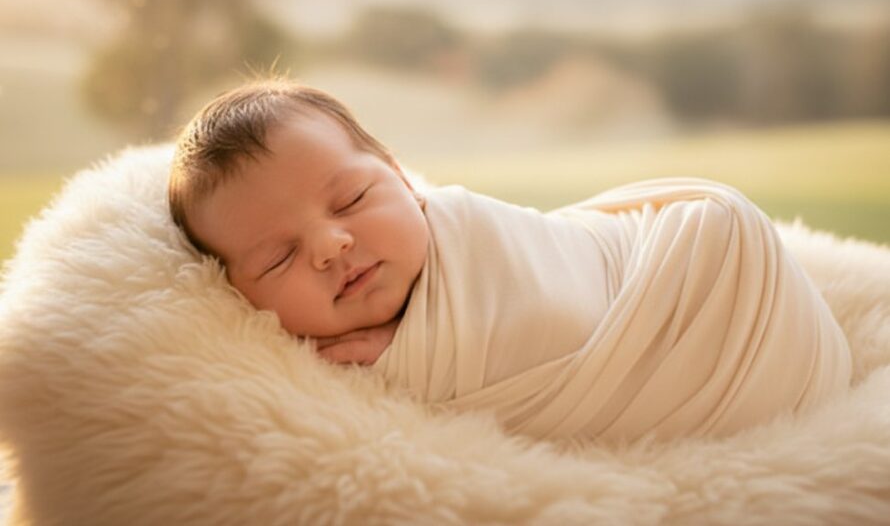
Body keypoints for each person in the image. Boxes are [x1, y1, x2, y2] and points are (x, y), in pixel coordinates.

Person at [169, 79, 852, 443]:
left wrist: (408, 359)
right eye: (280, 257)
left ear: (405, 181)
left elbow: (556, 305)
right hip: (716, 365)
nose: (329, 246)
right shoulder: (306, 381)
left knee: (721, 220)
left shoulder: (471, 232)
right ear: (237, 296)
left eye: (350, 198)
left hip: (712, 266)